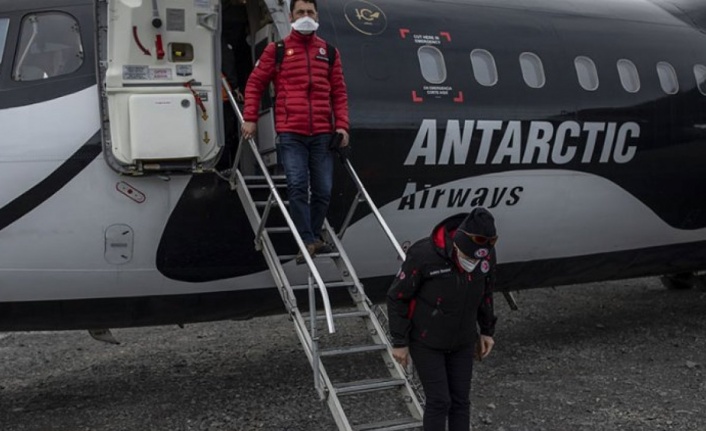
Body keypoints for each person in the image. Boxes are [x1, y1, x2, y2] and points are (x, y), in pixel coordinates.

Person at [241, 0, 350, 263]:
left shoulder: (329, 52)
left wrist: (342, 126)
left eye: (310, 12)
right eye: (300, 12)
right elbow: (255, 84)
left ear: (317, 16)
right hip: (291, 132)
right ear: (291, 17)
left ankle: (311, 236)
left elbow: (339, 93)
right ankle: (308, 239)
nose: (306, 17)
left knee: (323, 189)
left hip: (323, 133)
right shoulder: (276, 50)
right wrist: (250, 119)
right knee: (298, 185)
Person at [387, 208, 499, 431]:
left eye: (477, 259)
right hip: (427, 341)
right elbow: (397, 297)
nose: (471, 262)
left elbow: (486, 293)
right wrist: (400, 342)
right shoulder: (424, 255)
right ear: (456, 244)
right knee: (439, 401)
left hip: (463, 340)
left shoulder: (485, 256)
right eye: (467, 257)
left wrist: (486, 330)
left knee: (460, 401)